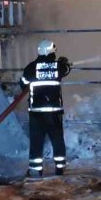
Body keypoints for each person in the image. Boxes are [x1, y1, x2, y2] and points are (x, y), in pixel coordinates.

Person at [21, 39, 72, 178]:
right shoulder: (57, 66)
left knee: (36, 142)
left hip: (36, 113)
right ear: (51, 51)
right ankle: (60, 168)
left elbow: (23, 83)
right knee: (57, 140)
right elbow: (66, 69)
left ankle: (35, 170)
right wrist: (64, 62)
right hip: (54, 112)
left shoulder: (31, 67)